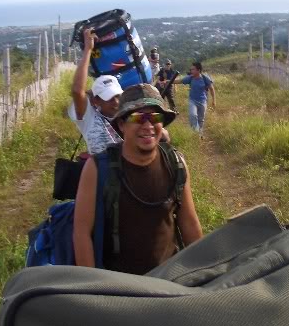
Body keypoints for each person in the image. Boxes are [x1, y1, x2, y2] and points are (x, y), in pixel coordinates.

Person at [74, 84, 203, 274]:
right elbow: (81, 232)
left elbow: (189, 224)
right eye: (137, 117)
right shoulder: (97, 168)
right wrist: (93, 289)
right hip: (118, 285)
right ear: (121, 125)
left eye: (155, 117)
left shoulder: (176, 164)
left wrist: (203, 272)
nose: (148, 125)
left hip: (169, 279)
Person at [68, 28, 124, 155]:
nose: (115, 102)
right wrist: (88, 50)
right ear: (96, 100)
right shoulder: (90, 118)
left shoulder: (127, 116)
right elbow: (77, 91)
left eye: (117, 96)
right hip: (100, 171)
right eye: (108, 98)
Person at [173, 61, 216, 136]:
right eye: (191, 69)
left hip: (203, 101)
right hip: (192, 101)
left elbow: (212, 89)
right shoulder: (190, 78)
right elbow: (179, 81)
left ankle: (200, 134)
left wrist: (214, 101)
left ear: (198, 70)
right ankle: (196, 132)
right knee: (193, 115)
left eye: (193, 69)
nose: (191, 71)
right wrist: (167, 82)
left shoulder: (205, 78)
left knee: (201, 119)